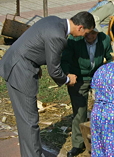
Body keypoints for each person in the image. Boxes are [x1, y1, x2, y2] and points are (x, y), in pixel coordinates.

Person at [0, 11, 95, 157]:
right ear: (80, 27)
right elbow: (54, 70)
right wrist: (68, 79)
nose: (85, 36)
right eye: (86, 33)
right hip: (20, 69)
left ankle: (33, 151)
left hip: (18, 63)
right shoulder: (58, 36)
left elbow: (35, 43)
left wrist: (36, 65)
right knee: (29, 120)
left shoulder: (54, 21)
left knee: (27, 119)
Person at [61, 28, 112, 157]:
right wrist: (67, 75)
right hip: (78, 77)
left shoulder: (104, 39)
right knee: (79, 112)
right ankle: (78, 144)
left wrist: (109, 75)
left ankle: (102, 140)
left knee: (103, 109)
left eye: (94, 33)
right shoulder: (74, 40)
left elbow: (111, 58)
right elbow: (65, 59)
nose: (90, 36)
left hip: (97, 76)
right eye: (88, 33)